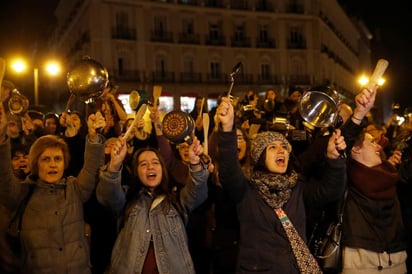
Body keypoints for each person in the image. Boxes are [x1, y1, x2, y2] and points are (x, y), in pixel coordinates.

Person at [216, 96, 347, 273]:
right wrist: (227, 128)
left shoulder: (297, 187)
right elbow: (229, 170)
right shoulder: (246, 190)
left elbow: (331, 191)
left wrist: (334, 159)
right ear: (260, 156)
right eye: (272, 147)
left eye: (284, 147)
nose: (281, 151)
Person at [0, 102, 106, 274]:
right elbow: (4, 177)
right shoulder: (22, 193)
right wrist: (1, 140)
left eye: (57, 159)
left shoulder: (74, 188)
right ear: (35, 163)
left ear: (65, 163)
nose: (52, 165)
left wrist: (94, 138)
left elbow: (91, 167)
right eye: (46, 159)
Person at [96, 135, 210, 273]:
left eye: (156, 162)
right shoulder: (127, 199)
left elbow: (197, 192)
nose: (150, 167)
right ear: (136, 172)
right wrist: (114, 165)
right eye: (143, 164)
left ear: (163, 169)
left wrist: (195, 164)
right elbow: (108, 195)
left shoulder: (177, 199)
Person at [341, 130, 408, 273]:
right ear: (355, 149)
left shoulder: (390, 177)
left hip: (396, 258)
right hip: (361, 262)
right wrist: (359, 115)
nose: (378, 147)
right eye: (371, 142)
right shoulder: (345, 178)